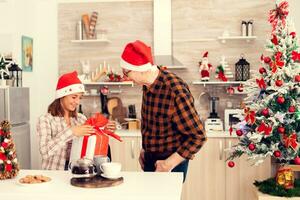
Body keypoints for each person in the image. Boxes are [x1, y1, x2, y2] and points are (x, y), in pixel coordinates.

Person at [120, 40, 207, 182]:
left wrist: (167, 164)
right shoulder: (147, 85)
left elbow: (198, 136)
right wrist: (145, 150)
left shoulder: (174, 90)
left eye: (126, 72)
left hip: (170, 164)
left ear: (140, 69)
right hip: (151, 159)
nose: (124, 77)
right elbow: (154, 125)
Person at [37, 71, 115, 170]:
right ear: (61, 96)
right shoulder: (45, 120)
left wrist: (103, 130)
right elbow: (44, 152)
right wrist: (72, 131)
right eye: (74, 97)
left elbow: (90, 141)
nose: (77, 102)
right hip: (55, 173)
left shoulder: (81, 118)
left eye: (80, 98)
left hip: (77, 171)